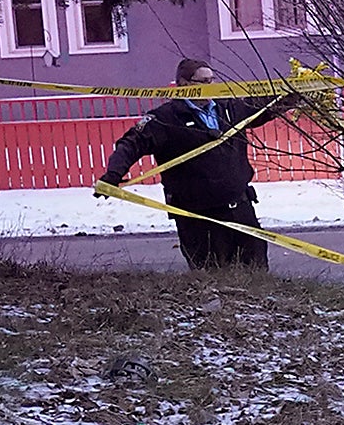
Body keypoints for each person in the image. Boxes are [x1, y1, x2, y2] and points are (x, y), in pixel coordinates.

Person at [96, 58, 282, 270]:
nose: (210, 86)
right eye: (203, 81)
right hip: (197, 218)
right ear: (184, 84)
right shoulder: (165, 119)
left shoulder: (229, 108)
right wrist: (113, 174)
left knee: (255, 275)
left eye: (212, 80)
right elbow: (130, 145)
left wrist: (301, 91)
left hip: (240, 211)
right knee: (212, 280)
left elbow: (267, 107)